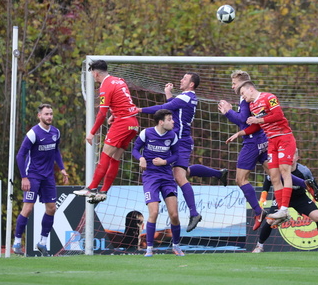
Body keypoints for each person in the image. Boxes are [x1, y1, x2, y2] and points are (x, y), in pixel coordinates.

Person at [219, 70, 310, 231]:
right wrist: (240, 132)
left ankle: (261, 212)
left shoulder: (261, 98)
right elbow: (250, 124)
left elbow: (245, 120)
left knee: (241, 179)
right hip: (267, 140)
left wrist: (228, 112)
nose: (233, 87)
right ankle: (304, 186)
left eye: (234, 84)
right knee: (275, 175)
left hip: (259, 141)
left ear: (245, 85)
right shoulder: (251, 102)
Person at [138, 73, 227, 232]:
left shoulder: (187, 97)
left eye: (184, 79)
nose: (180, 80)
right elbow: (172, 108)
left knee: (179, 176)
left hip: (181, 142)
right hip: (181, 141)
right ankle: (219, 174)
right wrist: (168, 94)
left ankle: (194, 213)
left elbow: (163, 110)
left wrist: (139, 109)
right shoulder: (187, 97)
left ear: (191, 84)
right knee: (184, 171)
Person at [74, 60, 139, 203]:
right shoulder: (119, 81)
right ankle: (103, 191)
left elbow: (101, 113)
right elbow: (123, 102)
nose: (93, 77)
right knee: (115, 158)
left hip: (122, 124)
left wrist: (92, 132)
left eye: (92, 74)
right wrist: (115, 115)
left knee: (105, 156)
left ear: (96, 73)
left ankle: (91, 189)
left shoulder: (105, 86)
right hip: (133, 124)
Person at [252, 149, 318, 253]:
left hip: (300, 198)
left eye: (293, 156)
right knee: (270, 220)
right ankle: (259, 246)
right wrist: (264, 195)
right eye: (289, 155)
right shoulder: (279, 168)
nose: (290, 158)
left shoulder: (304, 170)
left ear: (297, 157)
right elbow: (268, 180)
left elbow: (313, 185)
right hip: (282, 197)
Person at [12, 104, 69, 256]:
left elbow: (56, 151)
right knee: (28, 208)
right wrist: (24, 177)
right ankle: (17, 242)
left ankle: (42, 242)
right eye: (46, 114)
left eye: (51, 114)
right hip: (33, 175)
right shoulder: (33, 133)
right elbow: (20, 155)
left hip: (48, 176)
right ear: (39, 116)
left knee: (51, 208)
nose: (49, 116)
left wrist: (62, 168)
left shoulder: (55, 132)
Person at [132, 109, 184, 257]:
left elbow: (175, 155)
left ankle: (176, 246)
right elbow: (135, 150)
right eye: (169, 119)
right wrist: (141, 158)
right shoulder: (146, 133)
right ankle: (149, 249)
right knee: (153, 212)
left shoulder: (172, 136)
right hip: (150, 177)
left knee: (174, 214)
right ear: (161, 122)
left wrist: (165, 161)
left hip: (167, 177)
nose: (173, 121)